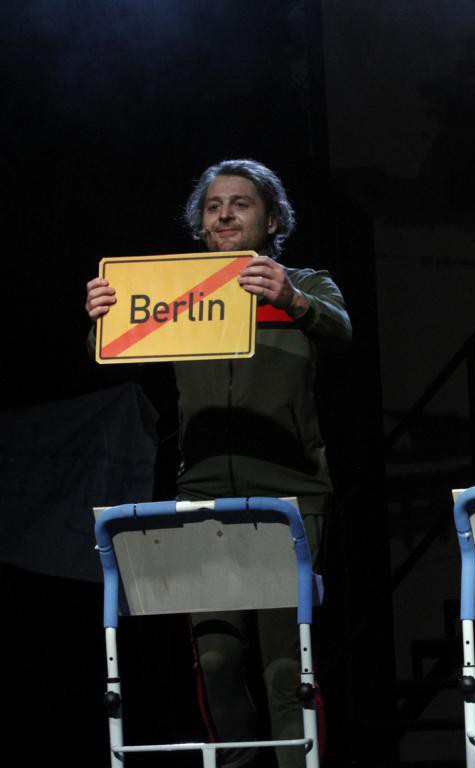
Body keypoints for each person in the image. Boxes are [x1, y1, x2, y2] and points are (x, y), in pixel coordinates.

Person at [85, 159, 351, 768]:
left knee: (288, 668)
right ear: (200, 224)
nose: (225, 213)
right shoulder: (177, 294)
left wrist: (293, 298)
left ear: (272, 220)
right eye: (213, 205)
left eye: (241, 203)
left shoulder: (308, 283)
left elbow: (341, 331)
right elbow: (113, 349)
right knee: (216, 661)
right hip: (202, 491)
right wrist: (104, 314)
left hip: (292, 494)